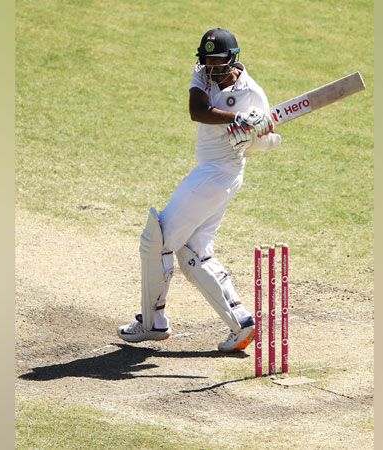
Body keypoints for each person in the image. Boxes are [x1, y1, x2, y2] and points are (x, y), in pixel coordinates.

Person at [117, 28, 280, 352]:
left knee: (158, 239)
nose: (213, 70)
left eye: (219, 64)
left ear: (234, 60)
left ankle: (153, 323)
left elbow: (271, 140)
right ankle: (242, 322)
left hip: (222, 172)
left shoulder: (253, 94)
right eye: (208, 63)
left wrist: (251, 139)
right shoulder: (203, 74)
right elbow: (198, 111)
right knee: (193, 250)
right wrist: (236, 119)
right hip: (210, 172)